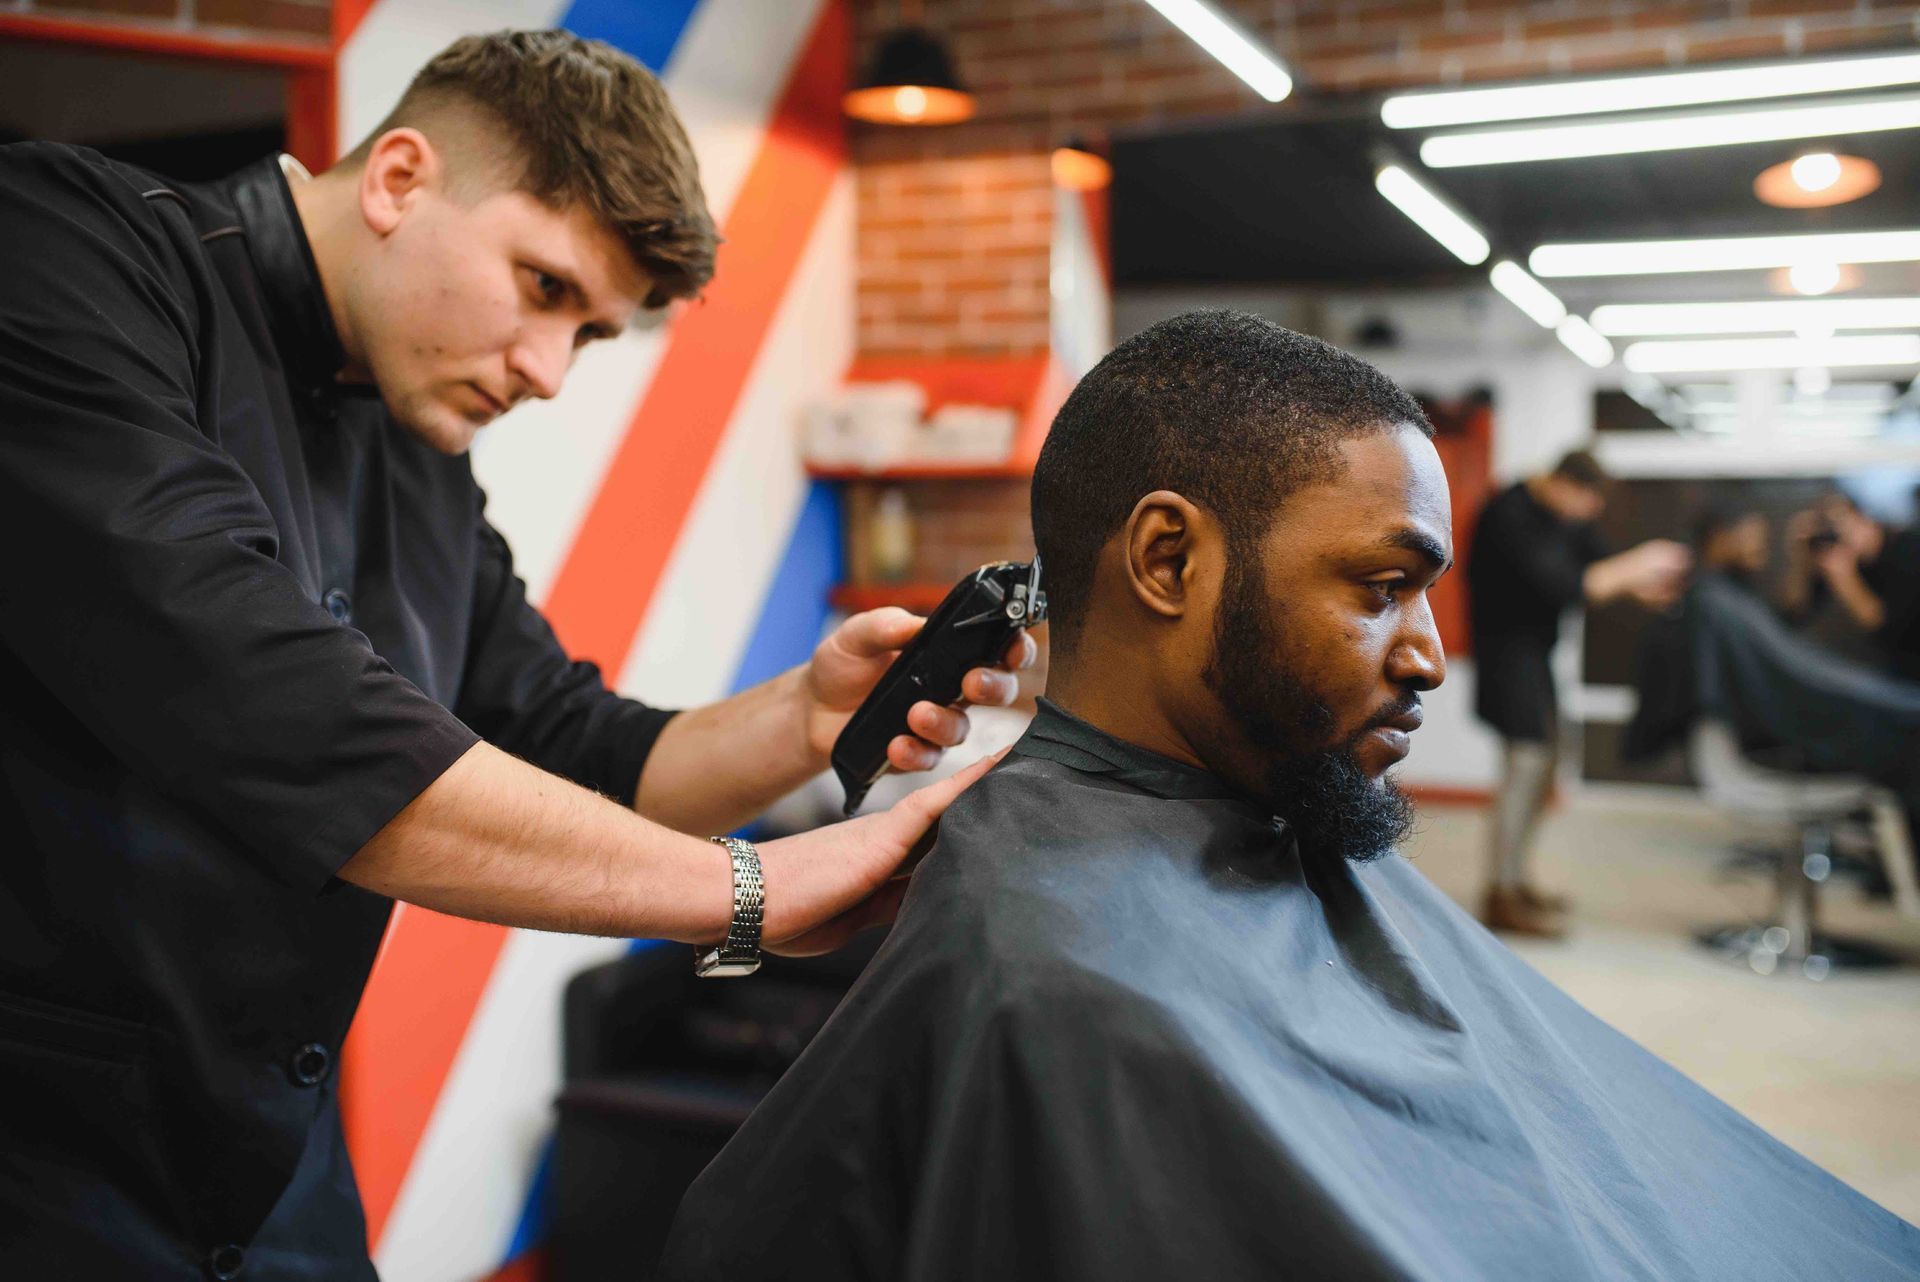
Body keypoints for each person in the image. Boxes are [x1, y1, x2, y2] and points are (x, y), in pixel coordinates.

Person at [0, 32, 1029, 1280]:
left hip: (277, 1185)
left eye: (588, 334)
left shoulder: (417, 443)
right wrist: (751, 892)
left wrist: (804, 718)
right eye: (543, 287)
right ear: (399, 178)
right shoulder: (61, 251)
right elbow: (275, 707)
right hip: (45, 1182)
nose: (547, 372)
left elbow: (575, 743)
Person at [657, 312, 1918, 1281]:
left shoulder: (1267, 814)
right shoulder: (1063, 985)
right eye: (1381, 587)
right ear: (1168, 561)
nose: (1428, 655)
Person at [1465, 449, 1690, 937]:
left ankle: (1516, 879)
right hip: (1505, 657)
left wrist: (1637, 585)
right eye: (1587, 502)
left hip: (1536, 657)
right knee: (1524, 769)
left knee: (1546, 767)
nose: (1588, 515)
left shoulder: (1563, 516)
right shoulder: (1508, 514)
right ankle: (1499, 893)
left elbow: (1598, 564)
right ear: (1564, 484)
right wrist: (1636, 566)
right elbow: (1567, 585)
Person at [1782, 492, 1920, 680]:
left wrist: (1845, 579)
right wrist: (1801, 560)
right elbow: (1794, 612)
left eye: (1839, 521)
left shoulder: (1909, 551)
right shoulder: (1843, 554)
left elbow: (1890, 631)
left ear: (1863, 518)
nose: (1836, 531)